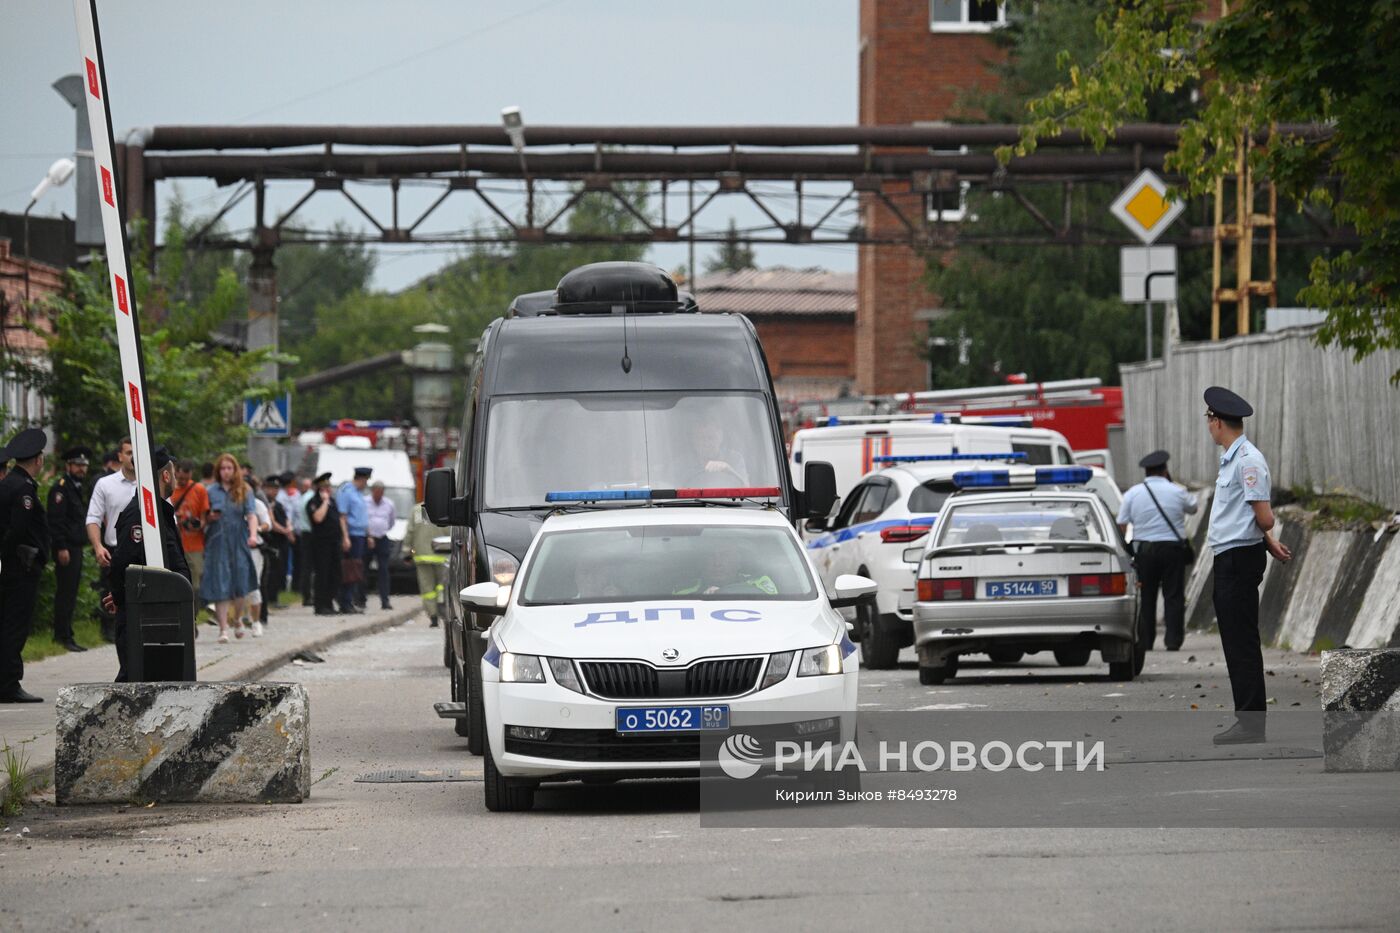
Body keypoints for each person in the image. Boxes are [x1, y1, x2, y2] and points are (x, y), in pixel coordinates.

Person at [1203, 386, 1292, 746]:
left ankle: (1251, 723)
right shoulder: (1233, 458)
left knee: (1241, 642)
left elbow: (1265, 517)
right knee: (1235, 640)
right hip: (1232, 556)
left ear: (1218, 422)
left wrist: (1267, 535)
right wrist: (1269, 544)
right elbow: (1249, 516)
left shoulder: (1248, 461)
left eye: (1209, 419)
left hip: (1239, 560)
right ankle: (1248, 719)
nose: (1207, 426)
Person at [104, 445, 189, 683]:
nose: (175, 480)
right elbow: (124, 564)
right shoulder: (140, 514)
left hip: (161, 613)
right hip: (142, 618)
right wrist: (123, 597)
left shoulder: (158, 512)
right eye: (172, 474)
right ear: (165, 475)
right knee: (134, 680)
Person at [1117, 449, 1199, 652]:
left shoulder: (1133, 494)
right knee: (1173, 594)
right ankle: (1173, 640)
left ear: (1146, 472)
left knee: (1146, 595)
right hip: (1172, 550)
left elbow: (1122, 522)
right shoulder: (1177, 491)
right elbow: (1193, 508)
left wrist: (1128, 546)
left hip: (1144, 551)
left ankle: (1146, 641)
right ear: (1165, 470)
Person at [0, 429, 50, 703]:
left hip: (13, 567)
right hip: (21, 568)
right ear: (38, 460)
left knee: (7, 623)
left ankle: (5, 681)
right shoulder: (23, 489)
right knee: (15, 626)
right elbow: (17, 532)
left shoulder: (9, 483)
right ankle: (9, 684)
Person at [199, 453, 260, 643]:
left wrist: (252, 535)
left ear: (235, 470)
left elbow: (251, 515)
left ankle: (237, 618)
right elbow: (203, 516)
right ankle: (223, 628)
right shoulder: (210, 491)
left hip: (239, 539)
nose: (226, 472)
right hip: (217, 540)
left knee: (240, 584)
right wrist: (209, 518)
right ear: (218, 471)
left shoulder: (244, 490)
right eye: (223, 469)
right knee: (220, 583)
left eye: (229, 468)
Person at [85, 437, 137, 642]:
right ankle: (110, 631)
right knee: (112, 594)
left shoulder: (152, 483)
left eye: (136, 452)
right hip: (115, 550)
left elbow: (170, 519)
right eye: (129, 452)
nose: (133, 457)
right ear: (120, 456)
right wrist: (97, 546)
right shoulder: (106, 484)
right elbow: (93, 517)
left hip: (145, 551)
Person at [48, 446, 92, 653]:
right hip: (66, 549)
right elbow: (56, 521)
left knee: (71, 592)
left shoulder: (75, 488)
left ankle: (67, 633)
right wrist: (61, 547)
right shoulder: (61, 488)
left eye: (84, 465)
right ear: (68, 466)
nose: (81, 469)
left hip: (75, 547)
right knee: (65, 593)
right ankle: (62, 635)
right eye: (78, 465)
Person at [172, 459, 210, 623]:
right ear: (176, 472)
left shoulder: (199, 489)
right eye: (180, 478)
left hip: (195, 544)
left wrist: (198, 524)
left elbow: (204, 517)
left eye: (185, 478)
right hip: (175, 543)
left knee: (194, 585)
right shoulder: (170, 488)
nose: (182, 481)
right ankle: (179, 617)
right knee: (177, 583)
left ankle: (192, 618)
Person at [336, 466, 372, 614]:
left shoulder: (358, 493)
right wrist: (345, 537)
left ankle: (350, 600)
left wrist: (368, 535)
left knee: (356, 570)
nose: (366, 484)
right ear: (361, 479)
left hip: (360, 535)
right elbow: (342, 516)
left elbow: (363, 516)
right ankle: (345, 602)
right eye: (366, 481)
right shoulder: (346, 492)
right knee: (349, 569)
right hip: (351, 535)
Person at [306, 472, 342, 616]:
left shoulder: (333, 501)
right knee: (322, 574)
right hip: (321, 543)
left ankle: (329, 602)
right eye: (325, 487)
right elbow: (318, 518)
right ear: (320, 489)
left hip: (334, 542)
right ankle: (320, 605)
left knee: (335, 574)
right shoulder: (314, 502)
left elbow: (338, 520)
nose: (329, 489)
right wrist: (325, 502)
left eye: (329, 487)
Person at [674, 547, 777, 596]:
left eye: (725, 555)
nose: (717, 563)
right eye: (711, 556)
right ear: (701, 563)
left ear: (738, 562)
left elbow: (773, 605)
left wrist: (724, 592)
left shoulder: (759, 582)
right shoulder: (684, 589)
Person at [405, 502, 444, 627]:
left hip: (422, 556)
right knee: (442, 586)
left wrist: (406, 552)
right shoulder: (444, 508)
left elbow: (410, 532)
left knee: (427, 588)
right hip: (442, 555)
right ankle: (443, 610)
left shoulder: (416, 510)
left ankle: (433, 615)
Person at [685, 417, 748, 487]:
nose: (706, 443)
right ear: (693, 441)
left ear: (720, 438)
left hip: (726, 498)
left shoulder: (735, 459)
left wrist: (729, 470)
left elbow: (747, 490)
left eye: (711, 437)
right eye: (701, 438)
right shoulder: (682, 464)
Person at [365, 480, 397, 611]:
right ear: (372, 491)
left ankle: (385, 600)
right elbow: (362, 519)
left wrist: (381, 530)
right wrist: (369, 535)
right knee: (363, 569)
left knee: (383, 570)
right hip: (367, 538)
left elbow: (391, 522)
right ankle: (361, 598)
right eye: (376, 491)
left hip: (382, 538)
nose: (378, 494)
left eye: (381, 492)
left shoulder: (389, 504)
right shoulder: (364, 502)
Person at [275, 472, 301, 592]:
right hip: (283, 532)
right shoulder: (280, 497)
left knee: (291, 560)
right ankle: (280, 586)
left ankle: (289, 585)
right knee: (282, 560)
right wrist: (289, 532)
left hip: (291, 530)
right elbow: (284, 517)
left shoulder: (292, 495)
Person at [294, 475, 316, 607]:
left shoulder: (301, 498)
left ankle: (306, 595)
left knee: (305, 566)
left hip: (303, 533)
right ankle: (308, 595)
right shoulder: (310, 498)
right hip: (310, 534)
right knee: (309, 567)